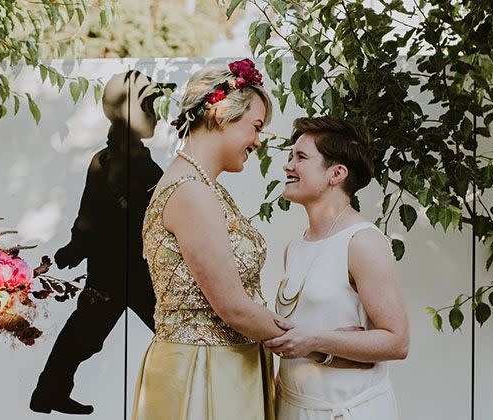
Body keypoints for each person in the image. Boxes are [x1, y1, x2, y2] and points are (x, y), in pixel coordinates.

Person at [131, 59, 290, 420]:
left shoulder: (200, 185)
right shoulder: (192, 192)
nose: (259, 142)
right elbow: (232, 307)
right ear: (220, 114)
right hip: (205, 371)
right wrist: (316, 344)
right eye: (255, 126)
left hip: (224, 364)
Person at [30, 71, 174, 415]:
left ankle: (48, 393)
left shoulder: (104, 159)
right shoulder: (141, 166)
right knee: (174, 332)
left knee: (83, 336)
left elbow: (87, 217)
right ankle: (48, 393)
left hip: (109, 272)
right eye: (151, 107)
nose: (156, 115)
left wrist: (73, 250)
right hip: (135, 273)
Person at [265, 116, 410, 419]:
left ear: (336, 173)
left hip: (347, 411)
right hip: (293, 408)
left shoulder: (362, 241)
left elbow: (397, 341)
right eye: (291, 157)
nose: (288, 166)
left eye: (301, 157)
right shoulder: (295, 246)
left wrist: (317, 341)